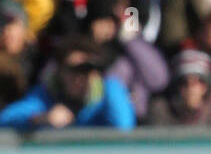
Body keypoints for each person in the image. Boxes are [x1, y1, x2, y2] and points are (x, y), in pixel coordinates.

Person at [0, 33, 136, 129]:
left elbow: (124, 127)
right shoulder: (45, 96)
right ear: (59, 71)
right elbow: (6, 119)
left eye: (87, 69)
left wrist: (109, 84)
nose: (80, 77)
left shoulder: (105, 94)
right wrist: (40, 119)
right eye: (74, 69)